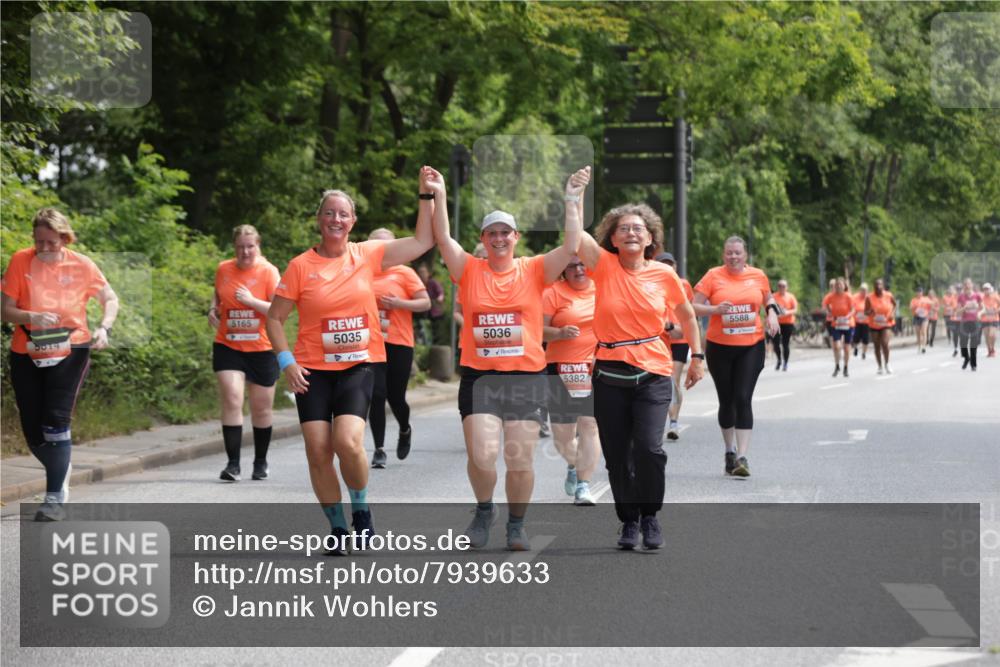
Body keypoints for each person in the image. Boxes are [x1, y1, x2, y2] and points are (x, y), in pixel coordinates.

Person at [265, 175, 433, 554]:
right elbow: (274, 318)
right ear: (319, 219)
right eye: (329, 213)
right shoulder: (299, 266)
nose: (336, 220)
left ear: (353, 221)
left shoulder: (368, 254)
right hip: (311, 369)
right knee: (317, 450)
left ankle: (361, 509)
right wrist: (286, 362)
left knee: (347, 442)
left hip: (359, 365)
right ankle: (338, 529)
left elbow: (423, 241)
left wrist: (426, 194)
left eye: (343, 214)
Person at [432, 165, 586, 551]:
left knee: (519, 461)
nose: (499, 238)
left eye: (505, 232)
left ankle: (517, 524)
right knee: (482, 456)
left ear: (515, 238)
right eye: (492, 233)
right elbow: (441, 237)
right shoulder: (468, 269)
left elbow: (570, 246)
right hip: (480, 378)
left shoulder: (533, 269)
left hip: (525, 379)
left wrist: (571, 199)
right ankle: (484, 509)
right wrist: (438, 194)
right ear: (483, 239)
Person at [578, 205, 704, 550]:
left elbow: (689, 318)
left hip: (653, 374)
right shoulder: (603, 266)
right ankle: (629, 521)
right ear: (613, 239)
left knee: (649, 449)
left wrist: (698, 357)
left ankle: (650, 516)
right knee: (618, 456)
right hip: (609, 374)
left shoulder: (665, 276)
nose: (631, 233)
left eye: (638, 229)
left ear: (650, 238)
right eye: (624, 229)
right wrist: (573, 200)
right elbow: (575, 236)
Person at [2, 208, 119, 521]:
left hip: (72, 347)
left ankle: (54, 496)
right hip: (27, 349)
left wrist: (104, 327)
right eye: (39, 241)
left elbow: (110, 298)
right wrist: (31, 316)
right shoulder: (19, 261)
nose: (44, 248)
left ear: (65, 238)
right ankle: (60, 468)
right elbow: (5, 310)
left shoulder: (81, 264)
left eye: (51, 242)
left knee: (56, 419)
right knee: (33, 431)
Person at [691, 236, 778, 479]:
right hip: (720, 347)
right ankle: (729, 450)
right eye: (729, 253)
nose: (733, 257)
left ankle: (742, 457)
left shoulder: (758, 275)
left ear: (745, 255)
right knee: (726, 401)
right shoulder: (712, 276)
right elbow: (692, 307)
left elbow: (768, 297)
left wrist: (771, 312)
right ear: (723, 255)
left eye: (737, 253)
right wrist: (714, 310)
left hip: (751, 345)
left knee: (743, 398)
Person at [209, 225, 281, 482]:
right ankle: (233, 464)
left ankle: (260, 462)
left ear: (258, 246)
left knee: (261, 409)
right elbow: (218, 297)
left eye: (250, 246)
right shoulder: (223, 268)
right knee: (232, 397)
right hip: (228, 345)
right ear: (234, 247)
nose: (245, 251)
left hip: (262, 348)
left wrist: (251, 301)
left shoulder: (269, 271)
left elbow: (279, 310)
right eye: (240, 247)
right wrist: (213, 310)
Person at [367, 228, 431, 468]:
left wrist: (399, 303)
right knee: (376, 395)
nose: (383, 251)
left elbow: (425, 302)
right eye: (377, 246)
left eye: (387, 246)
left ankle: (405, 428)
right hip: (371, 343)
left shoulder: (405, 273)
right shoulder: (363, 272)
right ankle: (379, 449)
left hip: (399, 343)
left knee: (396, 398)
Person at [542, 255, 600, 505]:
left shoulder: (603, 289)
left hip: (595, 368)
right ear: (563, 271)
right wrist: (559, 333)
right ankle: (574, 465)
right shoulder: (553, 293)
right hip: (559, 368)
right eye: (572, 266)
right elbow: (536, 328)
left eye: (582, 264)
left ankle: (584, 486)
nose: (578, 269)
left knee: (589, 425)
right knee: (562, 437)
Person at [655, 252, 696, 437]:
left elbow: (690, 313)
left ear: (675, 267)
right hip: (657, 338)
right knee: (659, 382)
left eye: (670, 264)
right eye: (663, 264)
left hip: (678, 338)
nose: (667, 267)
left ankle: (673, 422)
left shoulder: (684, 285)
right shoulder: (649, 282)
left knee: (673, 379)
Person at [822, 277, 855, 377]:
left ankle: (845, 367)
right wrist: (830, 313)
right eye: (836, 285)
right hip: (836, 323)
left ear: (844, 286)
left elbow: (853, 310)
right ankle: (837, 365)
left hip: (847, 324)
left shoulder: (848, 296)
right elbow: (826, 306)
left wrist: (847, 316)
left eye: (840, 285)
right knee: (837, 346)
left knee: (846, 348)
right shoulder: (831, 296)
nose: (838, 286)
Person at [865, 278, 896, 374]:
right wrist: (870, 311)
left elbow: (894, 305)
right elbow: (865, 312)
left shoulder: (888, 295)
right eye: (876, 285)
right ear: (874, 286)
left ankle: (887, 363)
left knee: (885, 343)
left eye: (880, 285)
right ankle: (879, 366)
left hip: (886, 323)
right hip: (874, 324)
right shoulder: (869, 297)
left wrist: (892, 314)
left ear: (883, 286)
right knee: (876, 345)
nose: (878, 287)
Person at [956, 278, 983, 371]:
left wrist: (979, 313)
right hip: (964, 322)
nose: (967, 286)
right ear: (964, 286)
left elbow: (983, 308)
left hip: (975, 321)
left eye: (969, 284)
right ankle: (966, 358)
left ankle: (973, 364)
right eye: (965, 284)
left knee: (973, 343)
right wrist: (964, 308)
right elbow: (957, 312)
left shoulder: (977, 296)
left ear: (972, 285)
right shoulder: (961, 297)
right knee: (963, 343)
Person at [415, 263, 444, 345]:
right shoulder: (417, 283)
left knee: (435, 332)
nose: (422, 274)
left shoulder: (433, 283)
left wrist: (440, 298)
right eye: (420, 272)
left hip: (434, 312)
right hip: (422, 312)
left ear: (428, 273)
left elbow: (440, 293)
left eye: (423, 272)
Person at [771, 279, 798, 371]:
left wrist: (787, 312)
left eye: (783, 286)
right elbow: (769, 308)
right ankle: (779, 360)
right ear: (778, 287)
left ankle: (785, 362)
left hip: (788, 323)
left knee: (785, 344)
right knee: (775, 343)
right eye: (780, 286)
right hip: (776, 323)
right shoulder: (774, 296)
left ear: (787, 287)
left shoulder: (791, 297)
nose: (781, 287)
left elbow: (795, 309)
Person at [909, 287, 932, 354]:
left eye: (920, 292)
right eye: (918, 292)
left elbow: (932, 305)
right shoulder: (913, 300)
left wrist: (929, 309)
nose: (919, 293)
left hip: (924, 317)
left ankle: (924, 347)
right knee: (918, 333)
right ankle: (919, 346)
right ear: (916, 293)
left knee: (924, 332)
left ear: (922, 292)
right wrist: (915, 307)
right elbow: (910, 307)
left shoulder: (926, 299)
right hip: (916, 317)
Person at [852, 282, 870, 361]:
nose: (863, 291)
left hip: (866, 322)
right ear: (860, 290)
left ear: (867, 291)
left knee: (865, 338)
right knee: (856, 337)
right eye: (862, 290)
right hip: (857, 321)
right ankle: (855, 348)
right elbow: (851, 306)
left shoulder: (869, 298)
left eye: (865, 290)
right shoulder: (855, 297)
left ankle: (864, 353)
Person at [980, 283, 998, 358]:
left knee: (992, 335)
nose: (986, 291)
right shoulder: (982, 298)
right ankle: (989, 350)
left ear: (990, 289)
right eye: (984, 289)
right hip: (984, 319)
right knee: (987, 336)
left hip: (994, 318)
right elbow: (980, 306)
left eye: (987, 289)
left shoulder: (995, 297)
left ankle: (992, 348)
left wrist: (997, 310)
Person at [944, 285, 961, 356]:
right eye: (957, 289)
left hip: (963, 319)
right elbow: (948, 307)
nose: (958, 291)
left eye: (959, 289)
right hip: (954, 318)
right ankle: (956, 349)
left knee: (962, 334)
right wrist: (951, 309)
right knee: (955, 334)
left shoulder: (964, 297)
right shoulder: (952, 298)